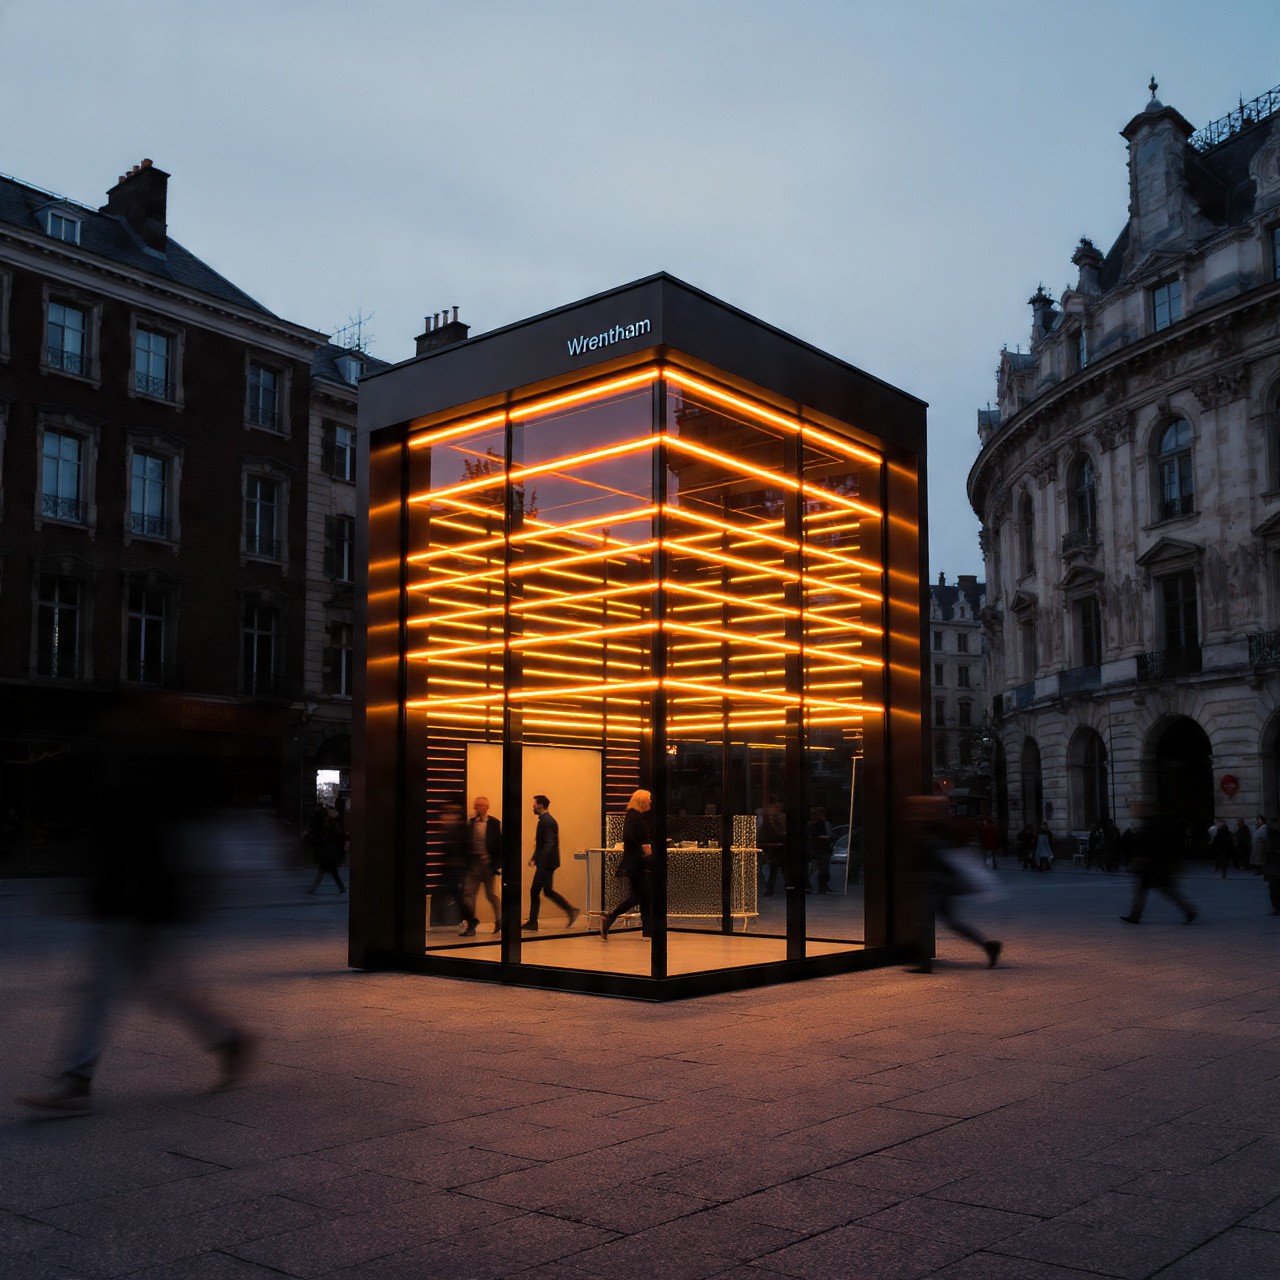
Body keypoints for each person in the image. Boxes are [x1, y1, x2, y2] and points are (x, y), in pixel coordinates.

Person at [17, 750, 252, 1115]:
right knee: (148, 993)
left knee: (124, 992)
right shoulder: (135, 788)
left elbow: (140, 856)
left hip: (140, 914)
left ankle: (77, 1078)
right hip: (134, 912)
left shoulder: (139, 792)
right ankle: (228, 1040)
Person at [906, 795, 1001, 973]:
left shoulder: (936, 828)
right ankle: (989, 946)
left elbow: (935, 854)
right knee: (951, 922)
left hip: (935, 882)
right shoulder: (937, 827)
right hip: (939, 881)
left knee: (925, 922)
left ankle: (924, 963)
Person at [1120, 801, 1198, 925]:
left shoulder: (1154, 824)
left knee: (1164, 889)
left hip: (1155, 865)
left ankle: (1189, 911)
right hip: (1153, 864)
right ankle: (1135, 916)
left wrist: (1145, 857)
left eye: (1139, 809)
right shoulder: (1152, 823)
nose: (1136, 811)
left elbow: (1155, 843)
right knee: (1146, 889)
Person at [600, 789, 653, 939]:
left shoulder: (634, 816)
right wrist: (644, 848)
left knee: (644, 896)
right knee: (641, 896)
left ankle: (647, 932)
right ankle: (611, 916)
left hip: (636, 862)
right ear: (642, 801)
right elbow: (629, 837)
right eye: (648, 799)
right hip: (637, 863)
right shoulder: (634, 817)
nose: (650, 802)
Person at [522, 795, 580, 931]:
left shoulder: (546, 821)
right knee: (547, 891)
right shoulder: (546, 820)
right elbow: (543, 843)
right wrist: (535, 857)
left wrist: (540, 858)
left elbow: (548, 842)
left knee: (534, 891)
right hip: (548, 862)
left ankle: (533, 921)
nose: (533, 806)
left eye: (535, 804)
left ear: (540, 805)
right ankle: (570, 910)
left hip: (546, 863)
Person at [440, 802, 478, 936]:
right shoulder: (451, 830)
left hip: (458, 869)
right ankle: (471, 920)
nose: (445, 818)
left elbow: (467, 849)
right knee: (457, 896)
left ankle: (472, 920)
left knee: (459, 897)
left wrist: (463, 865)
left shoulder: (461, 830)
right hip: (453, 869)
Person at [467, 795, 502, 933]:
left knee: (491, 894)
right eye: (476, 805)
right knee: (469, 893)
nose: (478, 808)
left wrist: (497, 864)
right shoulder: (471, 823)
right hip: (474, 864)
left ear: (487, 807)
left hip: (488, 864)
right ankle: (471, 922)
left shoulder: (494, 823)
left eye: (481, 805)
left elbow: (499, 844)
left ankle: (499, 919)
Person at [305, 806, 346, 895]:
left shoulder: (330, 830)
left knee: (324, 872)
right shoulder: (331, 828)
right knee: (332, 873)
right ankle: (341, 888)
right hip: (329, 854)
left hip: (328, 854)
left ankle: (313, 889)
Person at [759, 800, 786, 896]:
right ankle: (771, 889)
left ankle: (771, 889)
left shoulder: (778, 821)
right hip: (775, 850)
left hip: (779, 850)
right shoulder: (770, 823)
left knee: (777, 871)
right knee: (774, 871)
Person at [808, 805, 834, 893]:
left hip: (823, 849)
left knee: (823, 869)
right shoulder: (816, 824)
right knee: (822, 869)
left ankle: (823, 887)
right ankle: (822, 887)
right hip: (820, 849)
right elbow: (815, 837)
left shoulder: (825, 824)